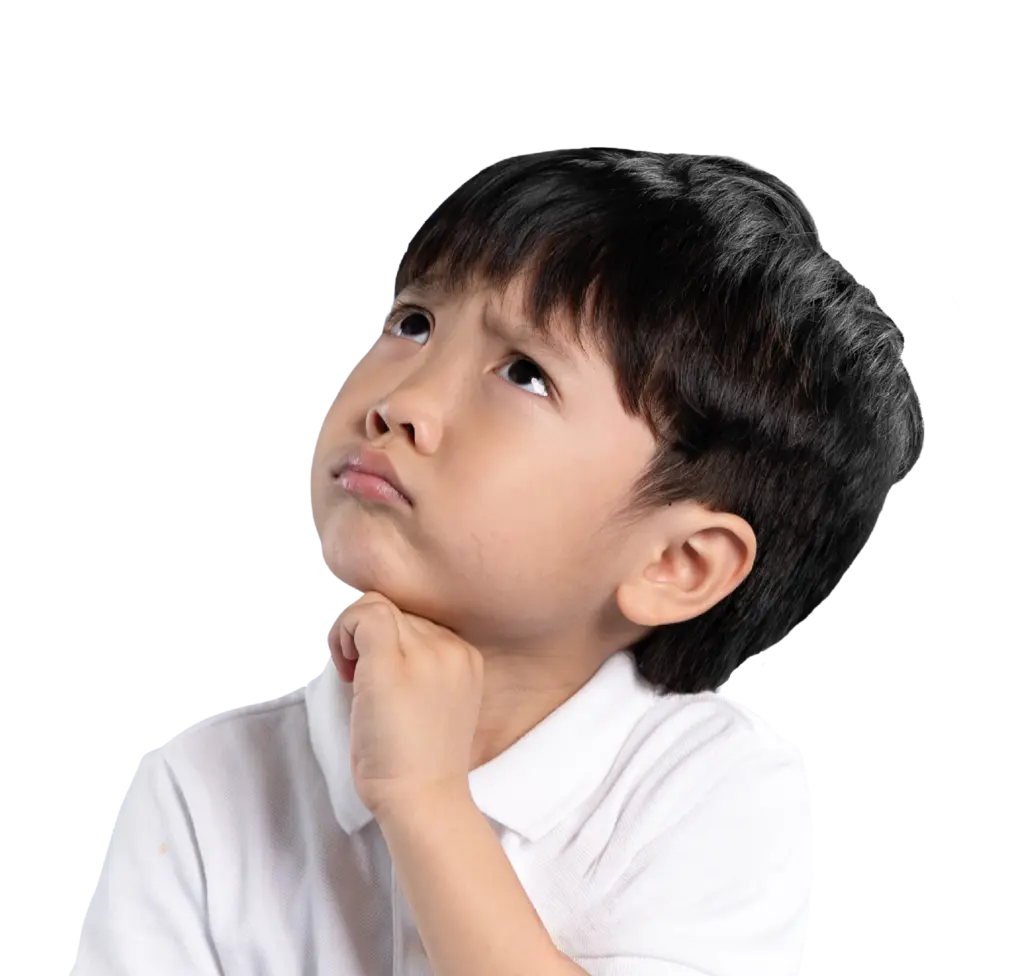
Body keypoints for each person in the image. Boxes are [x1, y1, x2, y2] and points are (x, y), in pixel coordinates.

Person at [73, 148, 924, 974]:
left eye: (524, 373)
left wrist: (426, 800)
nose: (400, 404)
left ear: (679, 563)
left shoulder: (713, 793)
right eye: (414, 323)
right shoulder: (204, 782)